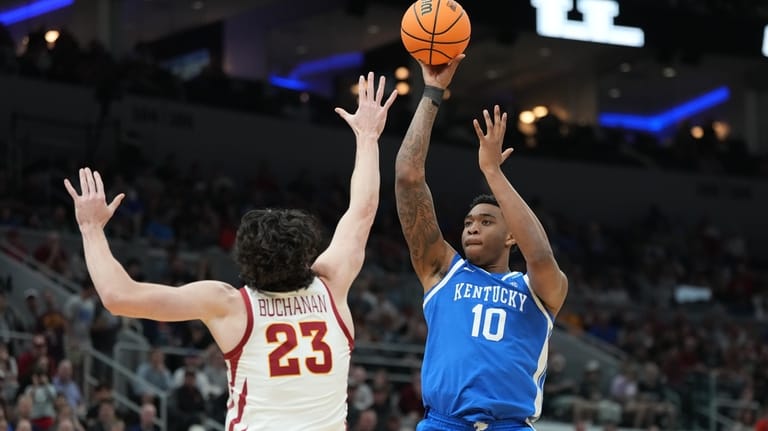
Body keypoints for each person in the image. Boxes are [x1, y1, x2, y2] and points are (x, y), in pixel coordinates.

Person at [64, 71, 398, 431]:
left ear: (245, 260)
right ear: (306, 254)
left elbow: (118, 296)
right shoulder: (332, 284)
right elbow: (363, 209)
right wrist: (368, 137)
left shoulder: (229, 303)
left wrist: (91, 228)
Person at [394, 54, 568, 430]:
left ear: (511, 236)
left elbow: (539, 253)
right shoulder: (442, 272)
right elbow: (408, 178)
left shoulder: (538, 289)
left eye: (486, 221)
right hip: (443, 423)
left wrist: (492, 173)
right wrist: (433, 91)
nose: (472, 228)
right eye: (469, 222)